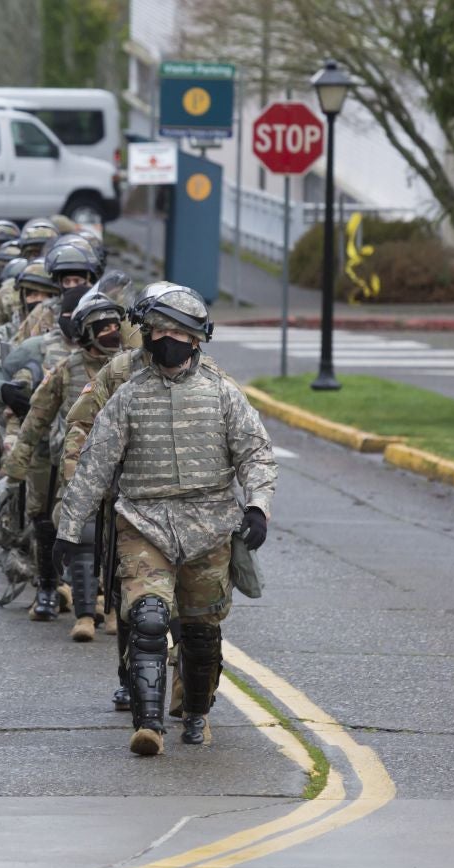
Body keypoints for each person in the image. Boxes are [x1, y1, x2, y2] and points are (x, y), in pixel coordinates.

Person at [56, 287, 276, 756]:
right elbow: (94, 464)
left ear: (196, 340)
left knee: (200, 630)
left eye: (178, 333)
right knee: (149, 618)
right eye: (159, 331)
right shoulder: (128, 394)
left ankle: (195, 713)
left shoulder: (222, 393)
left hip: (209, 525)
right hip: (144, 522)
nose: (167, 340)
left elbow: (255, 452)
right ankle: (148, 725)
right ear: (147, 335)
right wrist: (69, 529)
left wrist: (258, 506)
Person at [4, 290, 125, 641]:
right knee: (83, 538)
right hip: (77, 469)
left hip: (124, 471)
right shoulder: (66, 370)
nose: (112, 332)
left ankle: (113, 609)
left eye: (115, 325)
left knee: (121, 541)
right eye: (103, 327)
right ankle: (84, 616)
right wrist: (16, 468)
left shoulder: (130, 369)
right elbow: (36, 419)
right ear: (86, 332)